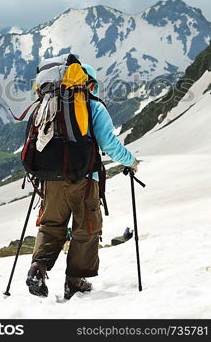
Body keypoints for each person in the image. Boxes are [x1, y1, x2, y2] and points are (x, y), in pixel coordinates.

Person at [26, 63, 139, 299]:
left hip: (50, 178)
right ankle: (74, 281)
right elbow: (109, 145)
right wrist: (130, 161)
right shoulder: (94, 107)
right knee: (86, 228)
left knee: (51, 225)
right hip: (84, 179)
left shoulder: (46, 104)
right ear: (88, 84)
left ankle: (37, 268)